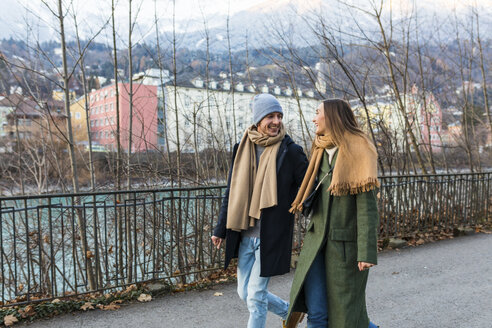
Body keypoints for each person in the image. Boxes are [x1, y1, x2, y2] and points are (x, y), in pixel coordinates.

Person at [212, 93, 308, 328]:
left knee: (255, 295)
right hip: (244, 234)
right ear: (258, 120)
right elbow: (231, 192)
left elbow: (307, 188)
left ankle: (287, 312)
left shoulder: (291, 151)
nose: (276, 121)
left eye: (279, 116)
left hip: (271, 236)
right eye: (270, 116)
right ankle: (289, 311)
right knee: (244, 293)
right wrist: (220, 229)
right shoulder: (242, 148)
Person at [285, 99, 380, 328]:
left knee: (345, 316)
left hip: (344, 248)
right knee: (317, 313)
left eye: (318, 113)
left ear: (332, 116)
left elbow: (367, 206)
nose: (314, 118)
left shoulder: (358, 149)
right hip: (315, 243)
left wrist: (366, 251)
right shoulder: (320, 149)